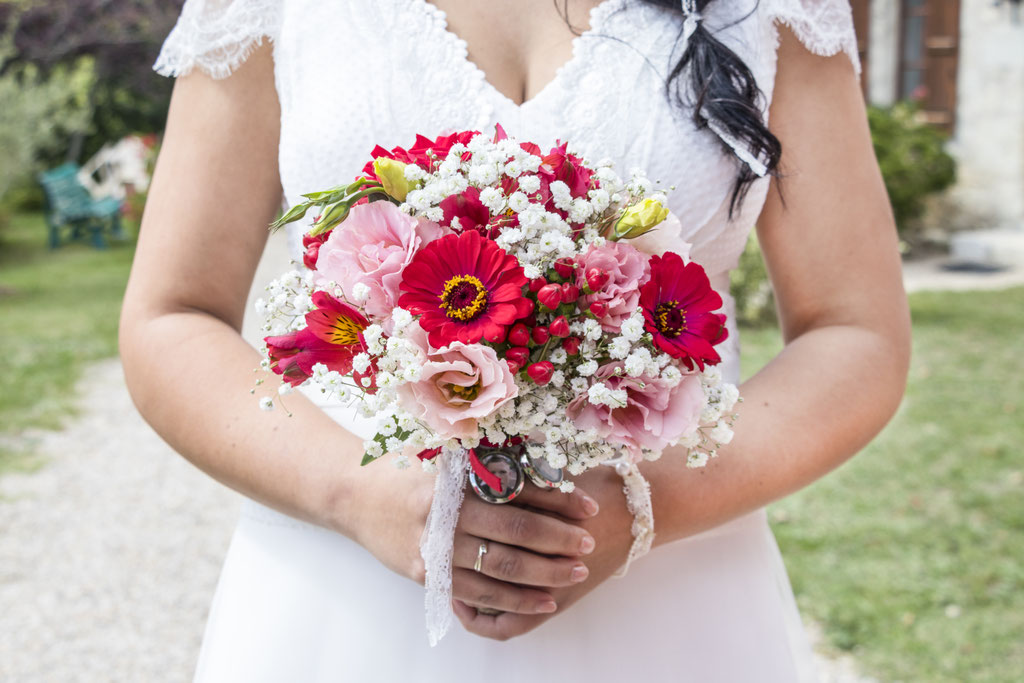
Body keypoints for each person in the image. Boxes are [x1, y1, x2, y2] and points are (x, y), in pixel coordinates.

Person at [120, 0, 910, 680]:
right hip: (344, 600)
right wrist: (364, 496)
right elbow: (172, 315)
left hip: (670, 601)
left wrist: (645, 507)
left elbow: (855, 330)